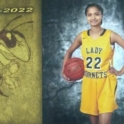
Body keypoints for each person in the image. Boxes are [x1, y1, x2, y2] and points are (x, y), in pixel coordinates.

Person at [62, 3, 124, 124]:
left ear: (102, 15)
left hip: (106, 83)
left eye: (96, 14)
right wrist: (64, 70)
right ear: (86, 17)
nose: (93, 17)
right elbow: (69, 51)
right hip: (89, 82)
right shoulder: (82, 36)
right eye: (89, 15)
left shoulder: (110, 35)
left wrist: (120, 71)